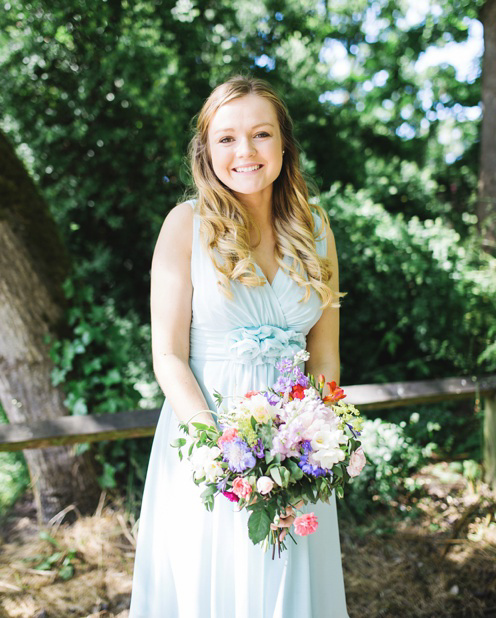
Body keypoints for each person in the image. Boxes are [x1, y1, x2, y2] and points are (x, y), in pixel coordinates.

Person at [130, 75, 350, 616]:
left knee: (290, 587)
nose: (245, 151)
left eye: (261, 134)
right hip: (207, 443)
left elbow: (323, 355)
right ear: (207, 148)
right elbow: (168, 356)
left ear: (284, 144)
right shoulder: (184, 226)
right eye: (227, 137)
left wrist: (317, 441)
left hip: (296, 450)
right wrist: (222, 454)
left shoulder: (316, 227)